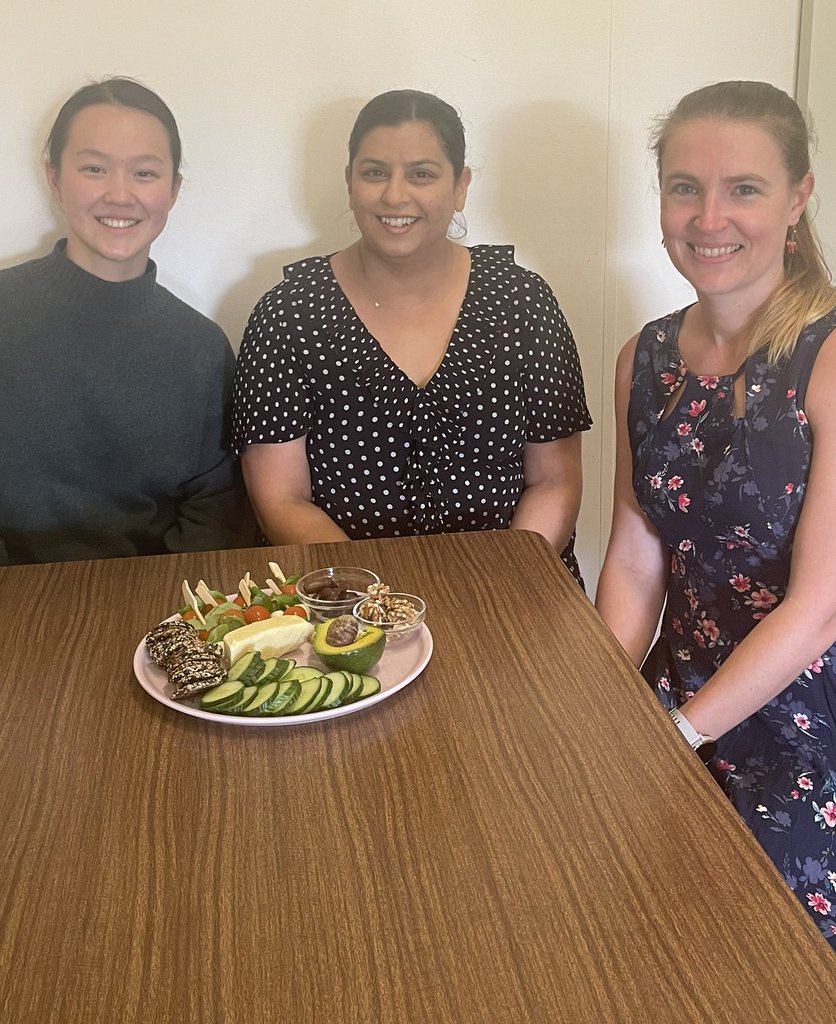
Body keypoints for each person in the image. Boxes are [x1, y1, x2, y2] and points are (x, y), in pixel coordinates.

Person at [595, 81, 836, 947]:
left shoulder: (828, 355)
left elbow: (818, 612)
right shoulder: (643, 356)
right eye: (684, 187)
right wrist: (605, 709)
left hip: (810, 711)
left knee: (759, 940)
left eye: (744, 189)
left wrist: (679, 736)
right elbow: (632, 558)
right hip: (678, 684)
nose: (708, 218)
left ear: (800, 196)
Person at [232, 88, 591, 580]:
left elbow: (555, 479)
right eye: (375, 172)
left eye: (421, 174)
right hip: (345, 603)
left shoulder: (523, 302)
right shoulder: (288, 314)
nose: (395, 195)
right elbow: (280, 499)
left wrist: (506, 586)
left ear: (460, 186)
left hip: (515, 588)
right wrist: (381, 606)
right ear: (349, 182)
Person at [0, 77, 250, 568]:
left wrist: (158, 609)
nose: (120, 194)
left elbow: (217, 507)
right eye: (95, 168)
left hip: (154, 613)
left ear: (173, 190)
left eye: (144, 173)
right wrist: (0, 603)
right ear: (55, 178)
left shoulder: (200, 347)